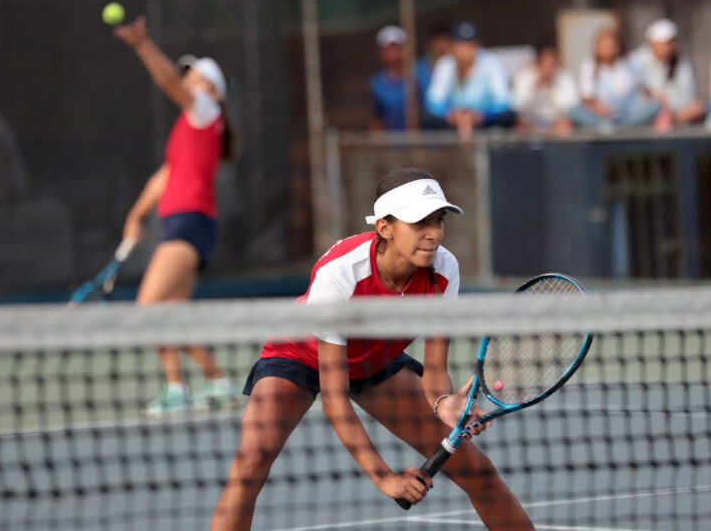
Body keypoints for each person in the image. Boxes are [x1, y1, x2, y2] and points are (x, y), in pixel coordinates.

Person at [212, 168, 533, 531]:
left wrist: (444, 402)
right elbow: (335, 399)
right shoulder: (341, 275)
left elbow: (435, 369)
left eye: (439, 221)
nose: (433, 234)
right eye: (419, 222)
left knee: (478, 471)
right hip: (301, 354)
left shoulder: (444, 269)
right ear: (385, 227)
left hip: (374, 361)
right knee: (251, 461)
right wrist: (384, 477)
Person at [114, 17, 240, 416]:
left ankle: (184, 386)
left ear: (212, 91)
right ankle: (210, 383)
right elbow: (163, 177)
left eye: (195, 76)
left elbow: (167, 81)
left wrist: (142, 44)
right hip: (181, 222)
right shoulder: (188, 128)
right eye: (187, 75)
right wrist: (136, 215)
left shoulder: (206, 112)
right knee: (171, 312)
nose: (186, 79)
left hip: (190, 223)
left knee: (149, 308)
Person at [425, 21, 515, 140]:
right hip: (454, 122)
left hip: (484, 122)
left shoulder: (491, 62)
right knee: (428, 119)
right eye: (461, 44)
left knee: (508, 117)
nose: (466, 49)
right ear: (452, 46)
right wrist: (452, 114)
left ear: (478, 45)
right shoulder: (445, 63)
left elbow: (503, 100)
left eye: (471, 44)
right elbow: (433, 100)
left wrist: (480, 115)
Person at [570, 27, 660, 130]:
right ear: (597, 47)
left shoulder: (631, 61)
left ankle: (614, 129)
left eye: (611, 45)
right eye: (604, 45)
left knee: (655, 107)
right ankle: (609, 128)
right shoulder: (590, 64)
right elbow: (586, 98)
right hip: (602, 116)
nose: (608, 48)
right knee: (573, 110)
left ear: (618, 45)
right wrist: (598, 107)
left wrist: (657, 99)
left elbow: (646, 89)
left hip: (630, 114)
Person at [629, 19, 705, 130]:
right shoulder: (636, 60)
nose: (669, 47)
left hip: (674, 113)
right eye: (665, 43)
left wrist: (670, 110)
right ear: (652, 43)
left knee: (698, 107)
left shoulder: (680, 62)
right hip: (647, 112)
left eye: (671, 42)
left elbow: (687, 95)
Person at [369, 25, 427, 131]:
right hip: (395, 143)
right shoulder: (378, 83)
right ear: (381, 52)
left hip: (426, 141)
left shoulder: (423, 71)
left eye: (398, 47)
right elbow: (378, 118)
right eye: (389, 48)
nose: (394, 52)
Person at [513, 44, 579, 135]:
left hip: (556, 123)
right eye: (544, 64)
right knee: (518, 126)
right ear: (537, 64)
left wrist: (552, 91)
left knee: (566, 127)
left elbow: (572, 107)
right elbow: (518, 106)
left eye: (552, 65)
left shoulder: (565, 77)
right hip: (530, 124)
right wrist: (536, 87)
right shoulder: (524, 77)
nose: (548, 69)